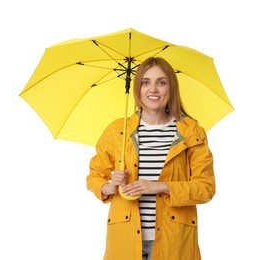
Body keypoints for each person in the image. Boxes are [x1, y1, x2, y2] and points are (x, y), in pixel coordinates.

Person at [86, 57, 215, 260]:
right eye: (145, 82)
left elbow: (206, 188)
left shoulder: (191, 132)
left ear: (171, 88)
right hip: (125, 240)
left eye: (161, 82)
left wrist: (160, 187)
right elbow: (94, 177)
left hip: (175, 242)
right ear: (137, 88)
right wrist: (110, 186)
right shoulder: (118, 131)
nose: (152, 89)